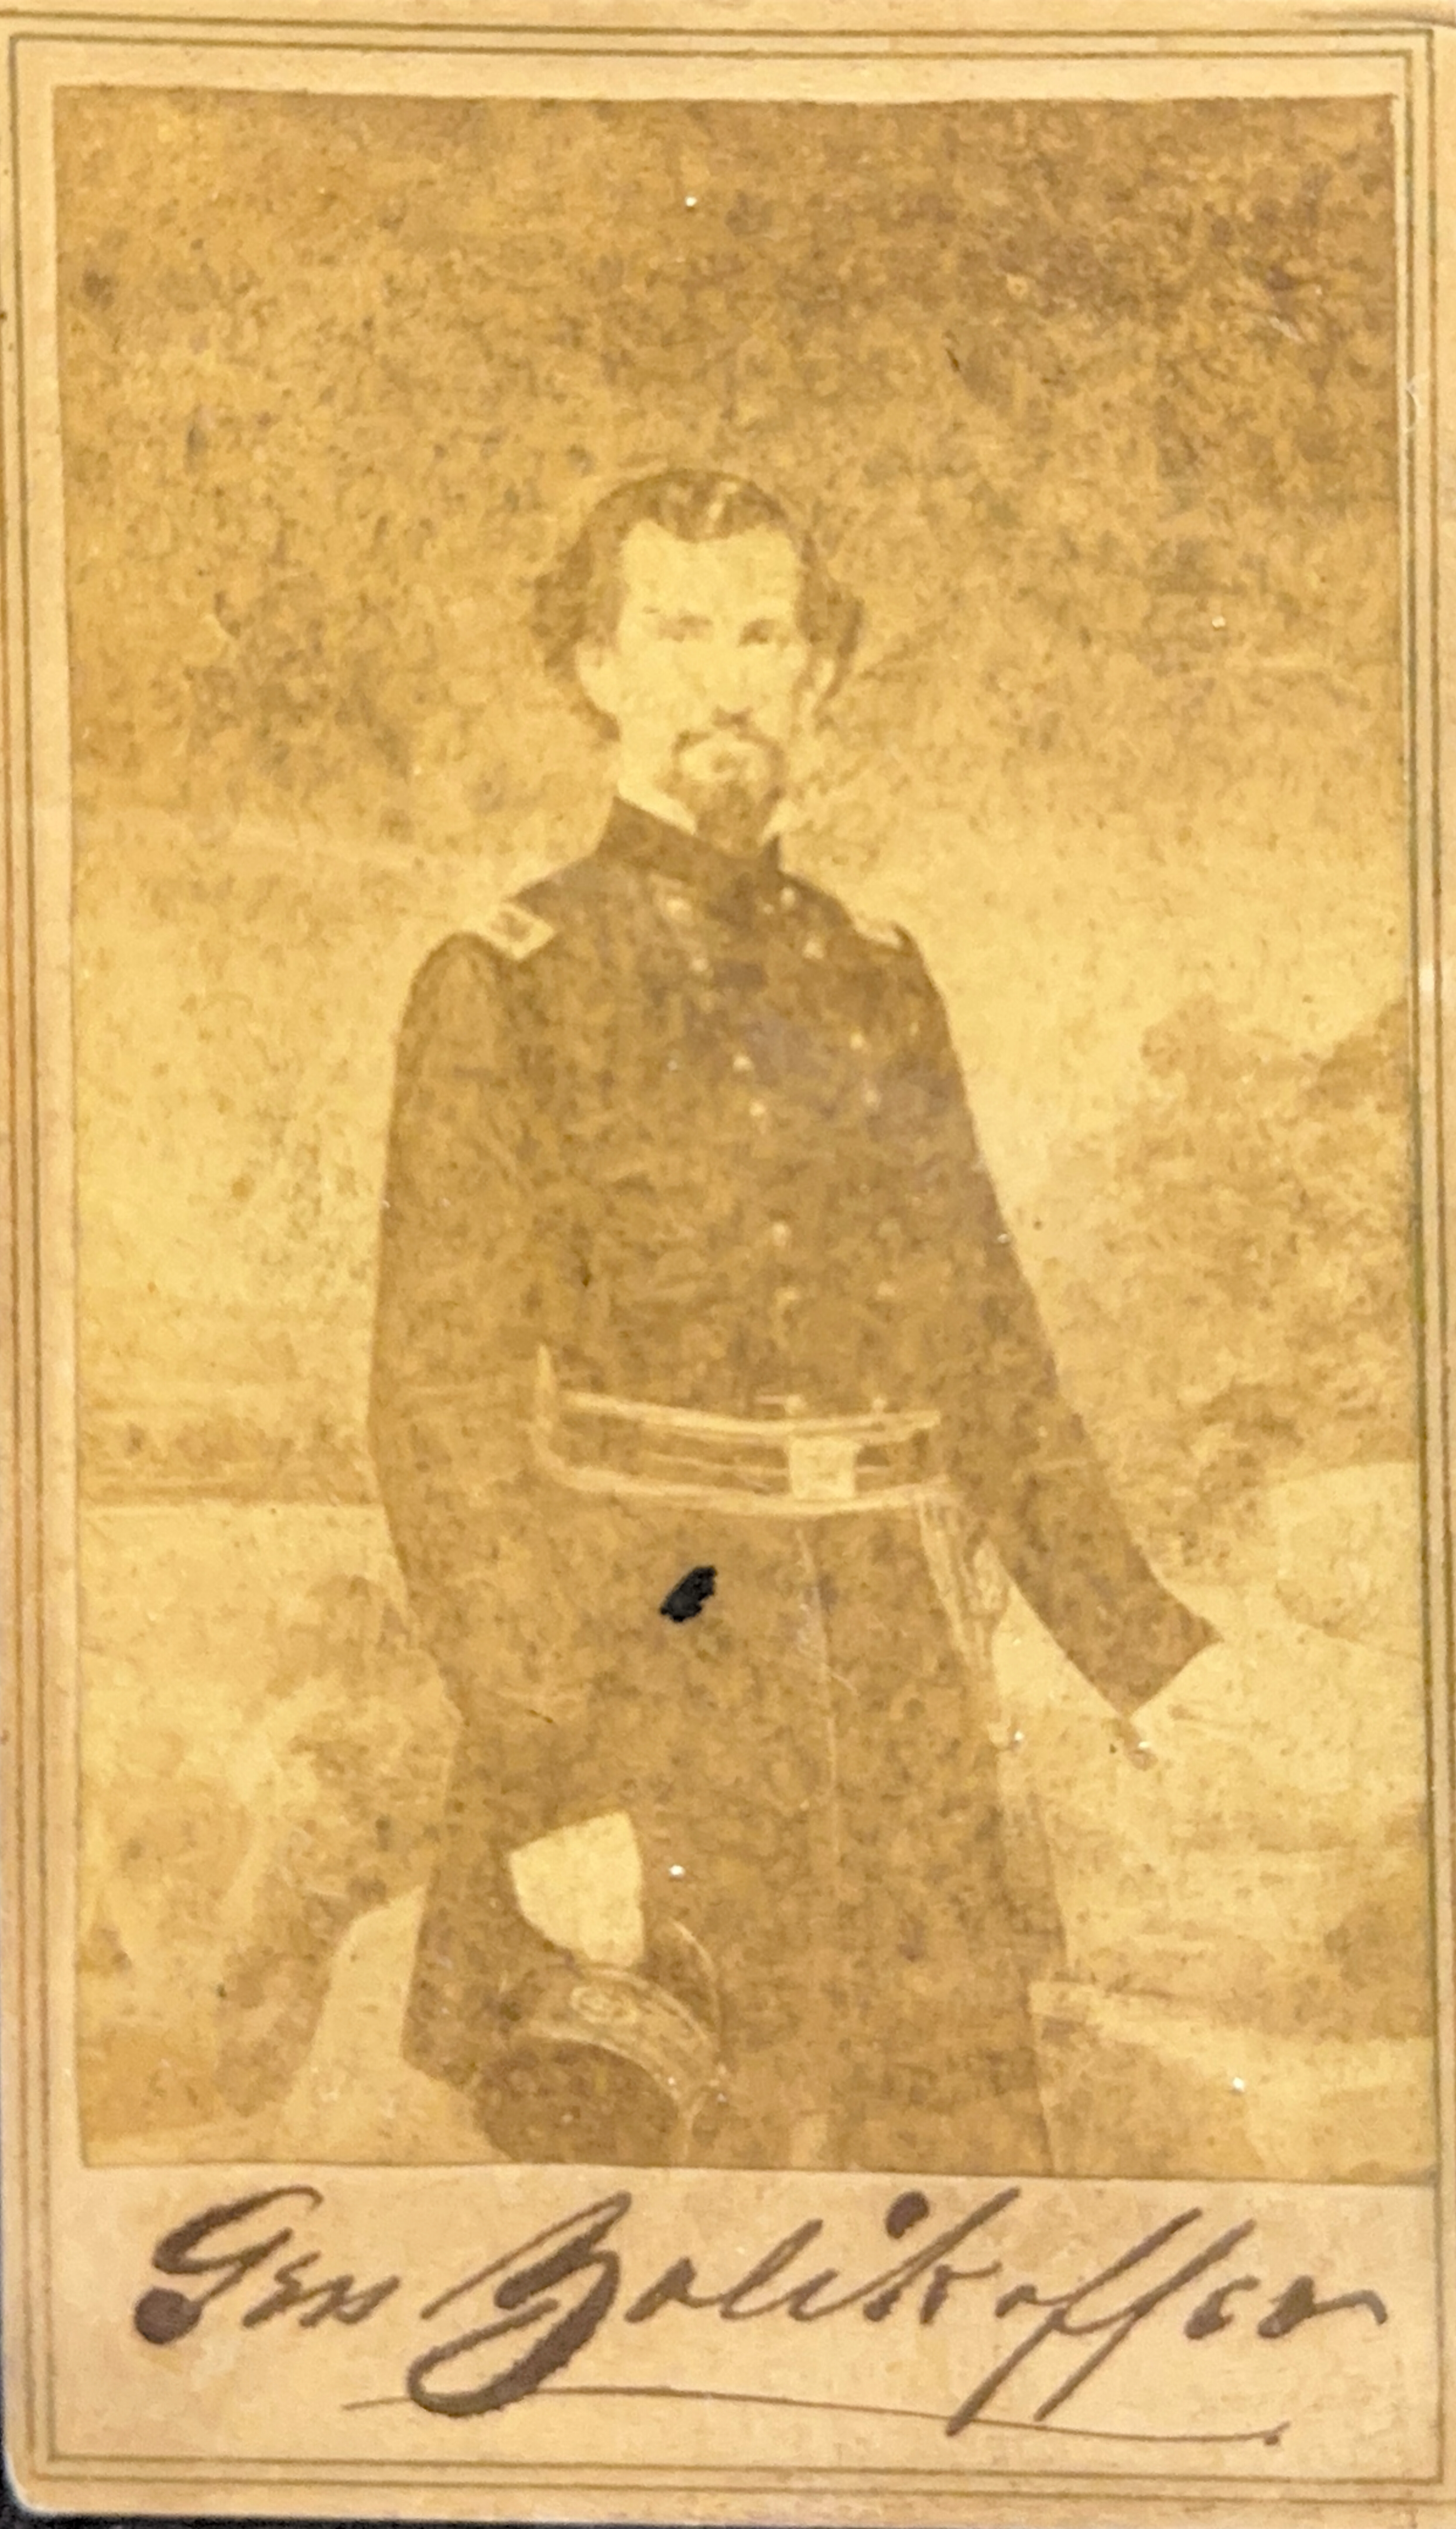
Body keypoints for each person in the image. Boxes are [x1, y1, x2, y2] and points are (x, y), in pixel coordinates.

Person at [369, 470, 1218, 2174]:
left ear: (819, 677)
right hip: (644, 1686)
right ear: (597, 666)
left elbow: (990, 1353)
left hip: (899, 1697)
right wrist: (551, 1784)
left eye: (766, 633)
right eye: (678, 632)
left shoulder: (879, 976)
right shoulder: (508, 981)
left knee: (957, 2201)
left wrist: (1150, 1656)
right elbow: (441, 1419)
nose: (728, 679)